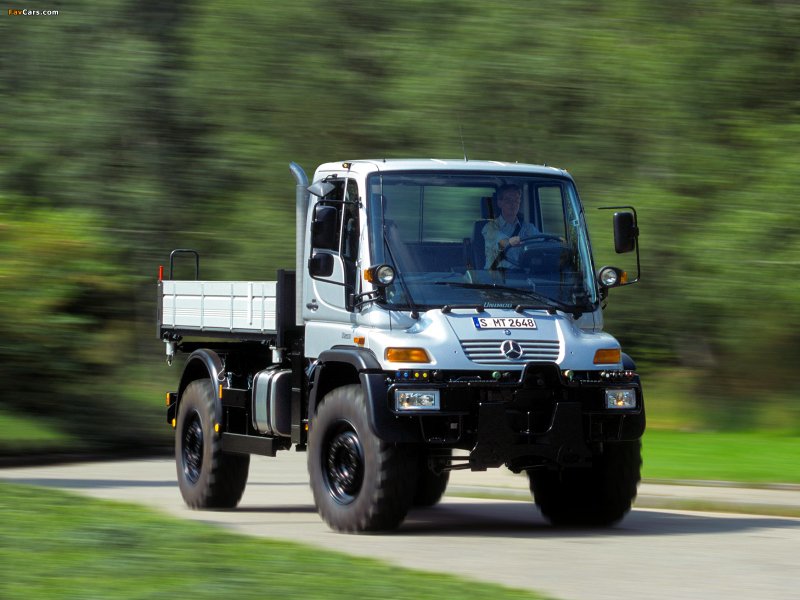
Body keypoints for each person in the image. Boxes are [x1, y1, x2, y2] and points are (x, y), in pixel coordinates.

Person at [482, 183, 539, 269]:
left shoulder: (528, 228)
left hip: (521, 278)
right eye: (508, 200)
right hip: (495, 278)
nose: (513, 204)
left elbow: (542, 241)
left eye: (516, 200)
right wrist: (511, 242)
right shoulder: (489, 227)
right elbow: (500, 242)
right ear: (499, 203)